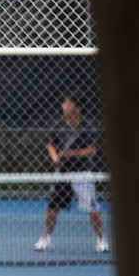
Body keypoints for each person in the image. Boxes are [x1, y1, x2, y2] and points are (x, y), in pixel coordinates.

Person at [33, 94, 109, 253]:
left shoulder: (87, 126)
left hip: (82, 173)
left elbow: (92, 149)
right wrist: (55, 157)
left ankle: (101, 239)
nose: (65, 107)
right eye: (64, 103)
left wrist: (72, 154)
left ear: (78, 108)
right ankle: (47, 238)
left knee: (92, 207)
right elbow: (51, 145)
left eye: (69, 104)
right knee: (52, 206)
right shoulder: (58, 124)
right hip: (62, 173)